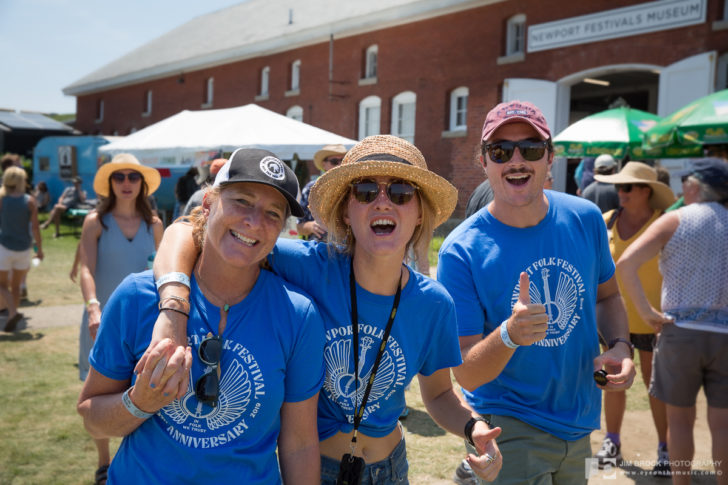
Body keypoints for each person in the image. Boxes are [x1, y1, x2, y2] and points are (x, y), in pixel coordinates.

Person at [146, 135, 503, 484]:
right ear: (347, 211)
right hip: (314, 467)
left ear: (420, 214)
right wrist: (174, 306)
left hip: (390, 471)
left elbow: (439, 395)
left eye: (401, 192)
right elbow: (189, 228)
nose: (383, 203)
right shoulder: (306, 267)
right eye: (365, 191)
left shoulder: (434, 303)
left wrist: (475, 428)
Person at [77, 148, 324, 484]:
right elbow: (92, 417)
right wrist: (139, 402)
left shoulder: (298, 315)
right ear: (208, 204)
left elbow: (299, 443)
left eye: (273, 213)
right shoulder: (137, 297)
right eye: (242, 201)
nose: (254, 221)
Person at [438, 100, 636, 485]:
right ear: (483, 162)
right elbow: (467, 373)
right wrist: (509, 335)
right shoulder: (461, 251)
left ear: (550, 158)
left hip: (579, 421)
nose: (516, 160)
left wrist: (620, 346)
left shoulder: (586, 218)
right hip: (507, 427)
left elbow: (606, 296)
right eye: (500, 151)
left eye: (530, 148)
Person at [616, 158, 728, 485]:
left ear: (695, 186)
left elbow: (626, 264)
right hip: (724, 334)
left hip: (679, 331)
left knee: (679, 422)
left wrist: (647, 311)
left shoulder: (674, 220)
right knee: (722, 425)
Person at [77, 153, 164, 484]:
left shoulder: (154, 224)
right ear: (110, 183)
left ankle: (137, 460)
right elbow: (85, 267)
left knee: (141, 392)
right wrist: (92, 306)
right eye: (119, 177)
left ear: (141, 183)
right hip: (100, 321)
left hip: (144, 325)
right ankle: (104, 463)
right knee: (97, 396)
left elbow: (165, 269)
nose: (126, 183)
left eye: (133, 177)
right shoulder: (95, 221)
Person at [591, 161, 675, 476]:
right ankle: (611, 442)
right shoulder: (606, 221)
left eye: (627, 187)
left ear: (646, 191)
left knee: (657, 388)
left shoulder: (665, 223)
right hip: (615, 323)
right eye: (618, 187)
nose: (620, 193)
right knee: (613, 384)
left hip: (655, 322)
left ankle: (665, 449)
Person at [0, 167, 43, 332]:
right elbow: (35, 228)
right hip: (24, 248)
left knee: (2, 284)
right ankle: (12, 315)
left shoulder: (2, 199)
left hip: (4, 246)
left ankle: (12, 311)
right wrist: (38, 248)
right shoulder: (30, 201)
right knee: (17, 285)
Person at [296, 144, 347, 241]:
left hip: (346, 249)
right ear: (324, 165)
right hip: (317, 248)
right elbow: (299, 227)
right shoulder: (311, 188)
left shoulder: (352, 187)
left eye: (343, 161)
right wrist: (311, 226)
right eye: (334, 162)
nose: (340, 165)